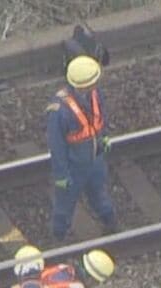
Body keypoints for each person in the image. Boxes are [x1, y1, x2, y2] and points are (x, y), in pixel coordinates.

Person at [47, 55, 118, 240]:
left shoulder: (94, 94)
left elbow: (99, 118)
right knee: (64, 208)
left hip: (95, 161)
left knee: (100, 198)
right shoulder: (59, 110)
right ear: (83, 85)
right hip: (73, 167)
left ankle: (111, 225)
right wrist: (61, 174)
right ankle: (59, 238)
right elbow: (57, 146)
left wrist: (103, 138)